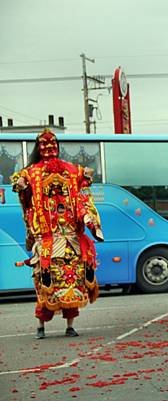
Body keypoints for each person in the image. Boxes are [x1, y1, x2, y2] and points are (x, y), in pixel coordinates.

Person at [11, 129, 103, 339]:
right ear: (38, 147)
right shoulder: (31, 172)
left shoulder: (71, 171)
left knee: (73, 284)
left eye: (53, 144)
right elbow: (22, 192)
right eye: (44, 144)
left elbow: (84, 193)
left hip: (71, 241)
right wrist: (22, 187)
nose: (49, 148)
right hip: (47, 241)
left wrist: (91, 222)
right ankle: (41, 326)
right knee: (45, 285)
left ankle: (70, 325)